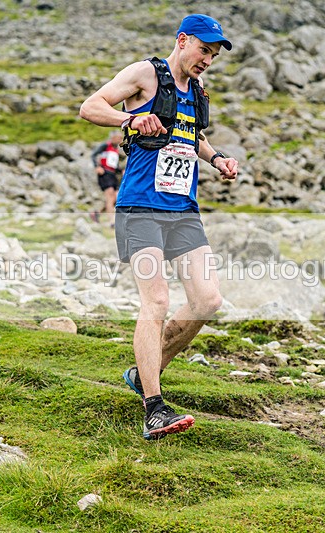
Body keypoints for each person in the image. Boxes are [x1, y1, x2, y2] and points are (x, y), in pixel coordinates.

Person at [79, 13, 239, 440]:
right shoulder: (145, 74)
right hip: (140, 209)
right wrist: (128, 120)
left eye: (214, 54)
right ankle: (154, 408)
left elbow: (192, 137)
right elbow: (91, 106)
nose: (208, 59)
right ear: (183, 41)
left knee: (207, 301)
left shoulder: (199, 91)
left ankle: (144, 371)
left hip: (184, 212)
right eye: (204, 49)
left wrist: (217, 158)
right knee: (157, 302)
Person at [89, 130, 123, 226]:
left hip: (113, 175)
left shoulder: (116, 149)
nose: (121, 139)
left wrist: (121, 171)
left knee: (116, 197)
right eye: (119, 137)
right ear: (113, 137)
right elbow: (93, 154)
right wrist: (97, 166)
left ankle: (96, 213)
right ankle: (111, 221)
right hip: (105, 173)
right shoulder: (105, 145)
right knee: (110, 196)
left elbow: (114, 164)